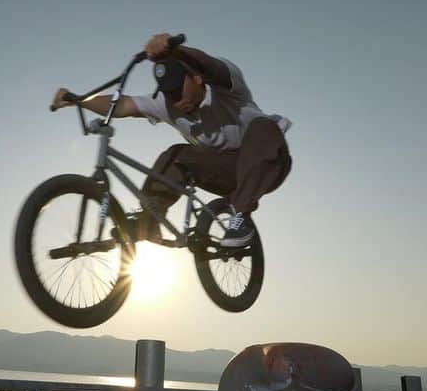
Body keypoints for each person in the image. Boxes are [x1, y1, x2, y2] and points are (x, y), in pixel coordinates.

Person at [50, 33, 292, 247]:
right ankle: (149, 220)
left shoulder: (227, 87)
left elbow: (208, 65)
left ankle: (240, 217)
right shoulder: (167, 105)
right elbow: (124, 104)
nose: (176, 101)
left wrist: (176, 52)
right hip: (225, 174)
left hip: (269, 163)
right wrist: (79, 100)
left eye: (178, 91)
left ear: (197, 79)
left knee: (263, 127)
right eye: (168, 94)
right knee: (175, 155)